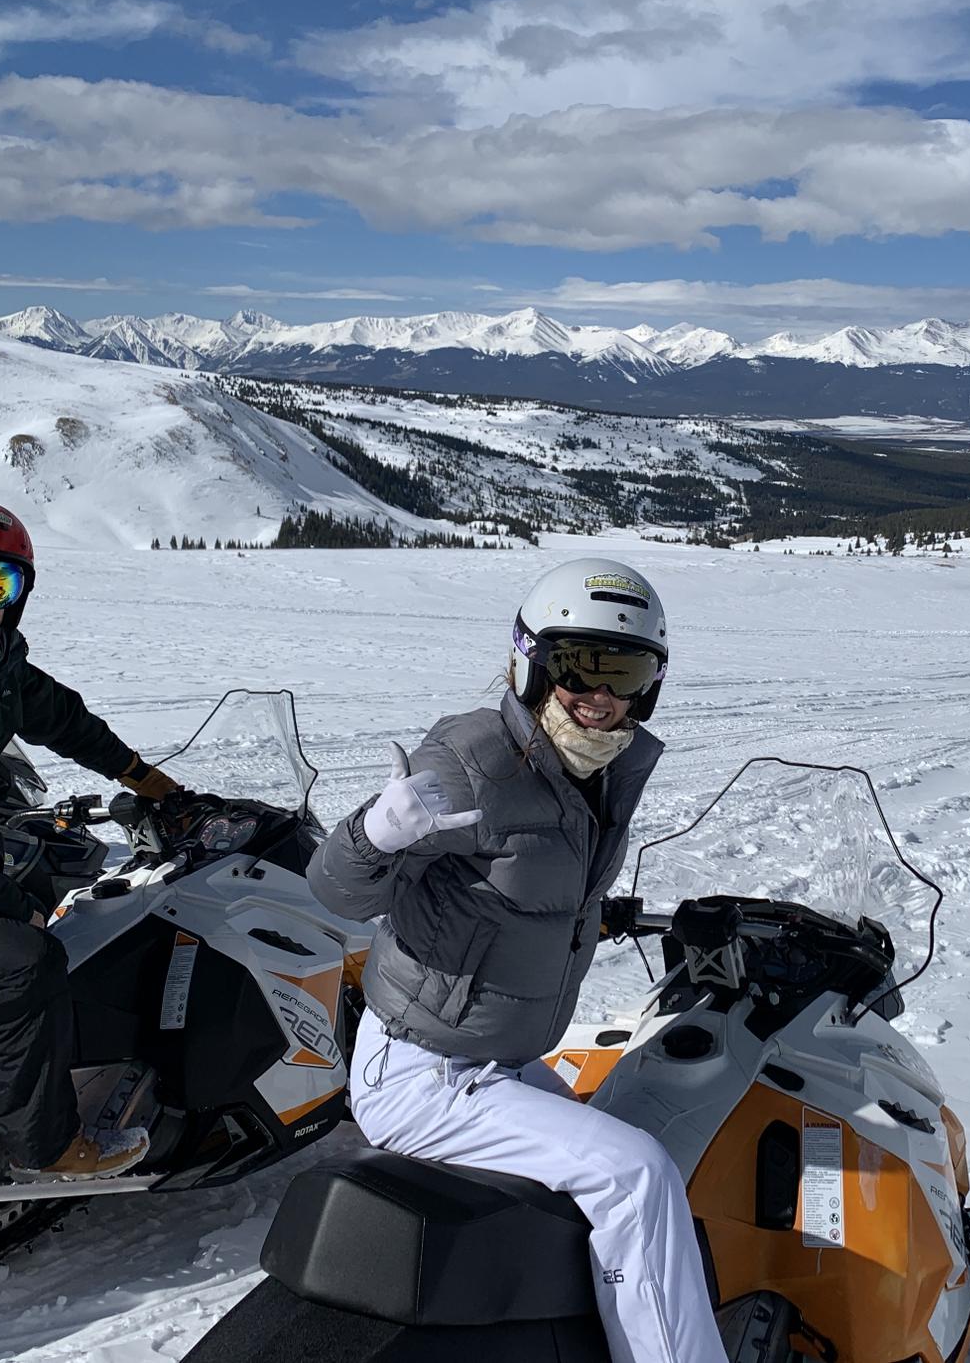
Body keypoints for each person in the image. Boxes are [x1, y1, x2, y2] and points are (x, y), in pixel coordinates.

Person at [309, 557, 728, 1363]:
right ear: (533, 661)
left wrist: (616, 916)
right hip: (421, 1072)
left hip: (496, 1058)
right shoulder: (469, 760)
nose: (601, 695)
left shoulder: (596, 768)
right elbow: (337, 890)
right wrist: (374, 835)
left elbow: (523, 883)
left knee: (622, 1135)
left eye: (627, 670)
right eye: (579, 665)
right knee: (634, 1175)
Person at [0, 498, 178, 1181]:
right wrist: (1, 902)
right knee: (26, 958)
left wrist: (145, 780)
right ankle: (48, 1145)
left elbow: (66, 720)